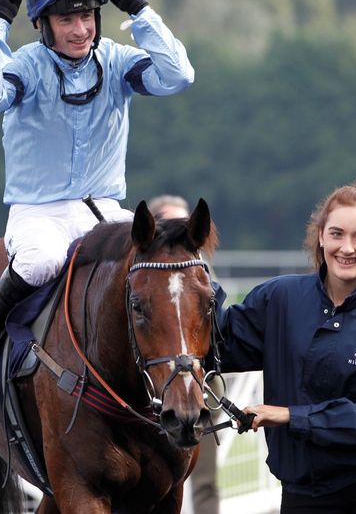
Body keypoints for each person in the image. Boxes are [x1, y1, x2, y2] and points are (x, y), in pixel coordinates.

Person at [0, 0, 195, 401]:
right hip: (38, 211)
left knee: (159, 263)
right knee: (39, 261)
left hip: (102, 208)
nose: (81, 29)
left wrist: (142, 13)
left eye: (87, 17)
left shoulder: (119, 60)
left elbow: (178, 76)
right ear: (42, 24)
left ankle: (195, 359)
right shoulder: (26, 65)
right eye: (67, 19)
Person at [216, 178, 356, 512]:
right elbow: (215, 344)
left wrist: (291, 416)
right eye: (337, 234)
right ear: (320, 236)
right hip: (303, 494)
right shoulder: (279, 298)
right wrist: (188, 271)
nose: (347, 248)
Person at [148, 194, 221, 514]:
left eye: (186, 222)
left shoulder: (200, 273)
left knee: (204, 479)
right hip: (154, 394)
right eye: (172, 224)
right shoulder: (146, 277)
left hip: (199, 391)